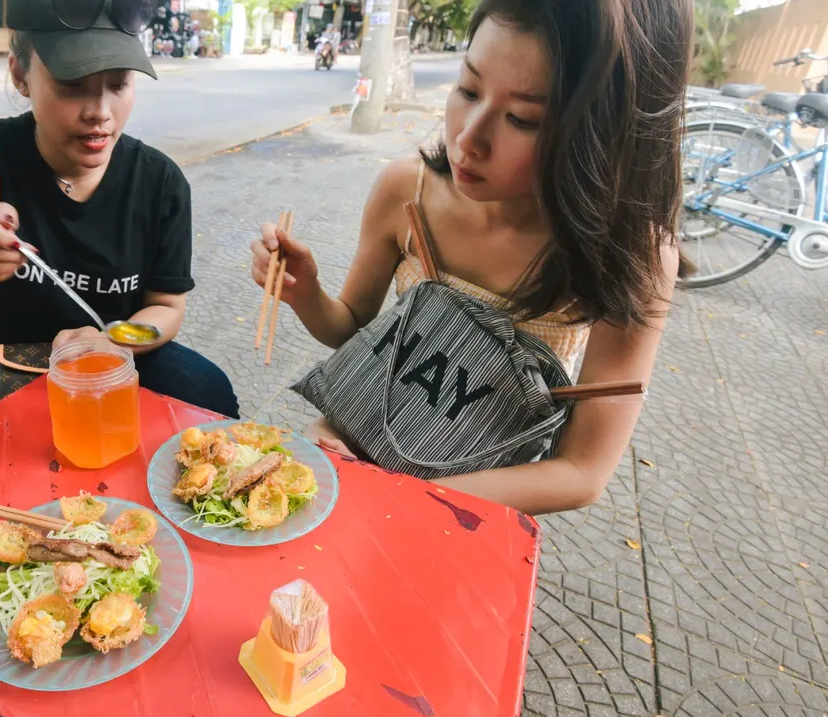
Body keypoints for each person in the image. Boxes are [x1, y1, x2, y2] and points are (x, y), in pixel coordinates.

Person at [251, 0, 691, 515]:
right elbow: (352, 329)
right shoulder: (408, 190)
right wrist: (305, 294)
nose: (468, 138)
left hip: (459, 513)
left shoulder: (629, 255)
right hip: (339, 456)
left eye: (522, 119)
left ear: (603, 133)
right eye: (468, 89)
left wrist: (398, 496)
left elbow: (581, 471)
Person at [0, 0, 239, 468]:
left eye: (118, 84)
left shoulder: (159, 181)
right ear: (20, 75)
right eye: (72, 84)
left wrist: (112, 343)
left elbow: (166, 306)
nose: (100, 113)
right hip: (1, 362)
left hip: (121, 356)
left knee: (210, 395)